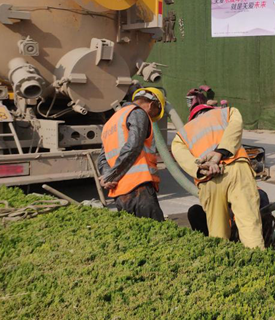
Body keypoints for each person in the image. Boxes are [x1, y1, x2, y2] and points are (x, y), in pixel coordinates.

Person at [171, 103, 264, 249]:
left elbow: (182, 158)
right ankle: (258, 265)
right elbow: (236, 126)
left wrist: (202, 169)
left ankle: (222, 265)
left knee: (217, 232)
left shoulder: (181, 135)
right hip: (236, 168)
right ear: (210, 110)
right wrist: (221, 151)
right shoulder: (226, 113)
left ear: (192, 117)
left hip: (209, 180)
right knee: (249, 224)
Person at [98, 87, 166, 221]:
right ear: (152, 104)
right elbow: (133, 146)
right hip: (139, 188)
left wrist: (107, 176)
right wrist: (111, 175)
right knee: (157, 233)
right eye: (155, 113)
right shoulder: (138, 113)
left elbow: (102, 157)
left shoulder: (111, 122)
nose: (151, 119)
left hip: (120, 193)